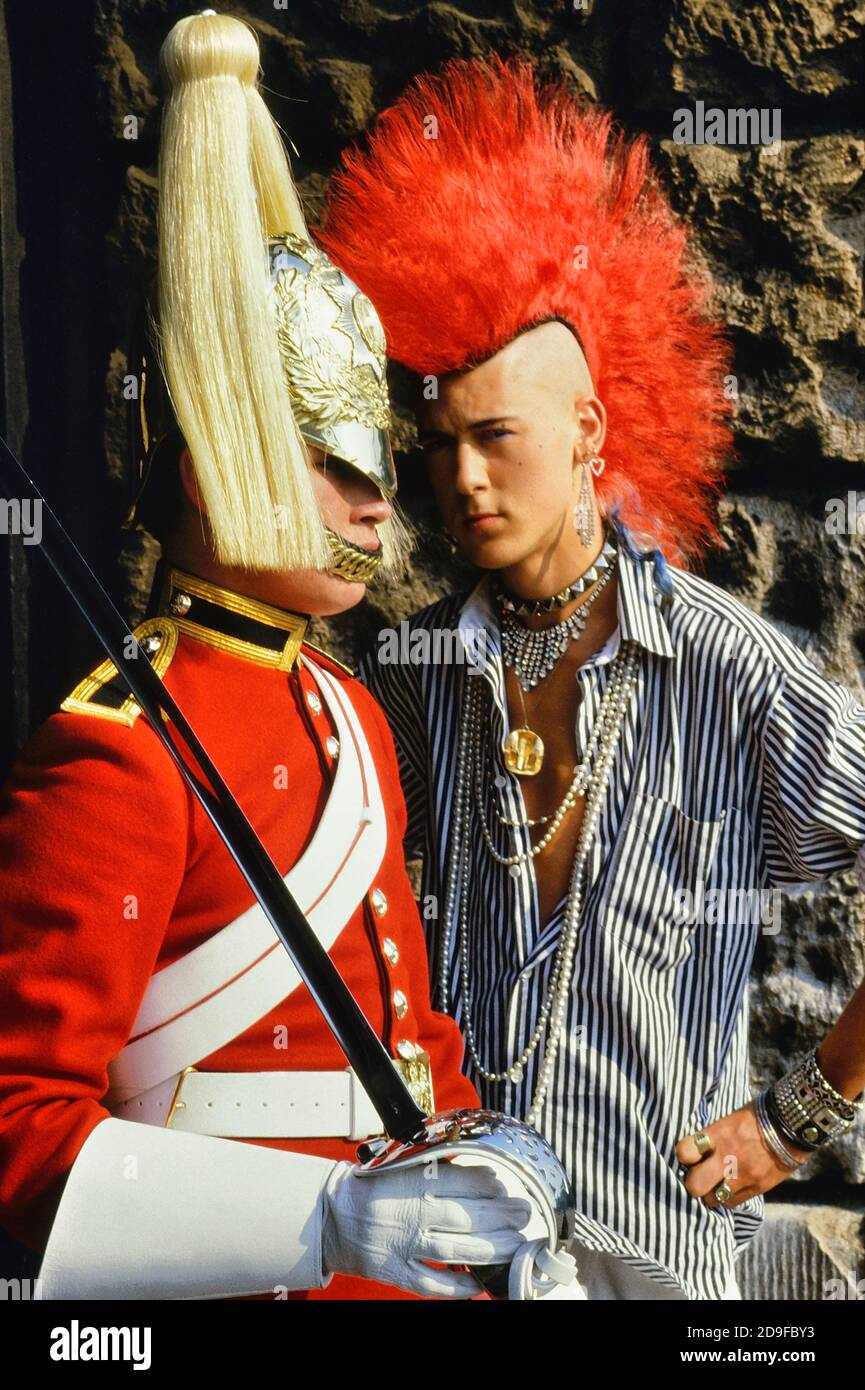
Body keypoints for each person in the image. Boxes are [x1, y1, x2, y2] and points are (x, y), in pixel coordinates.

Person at [0, 14, 535, 1303]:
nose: (378, 507)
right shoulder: (120, 746)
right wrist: (320, 1218)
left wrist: (483, 1169)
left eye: (379, 470)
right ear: (210, 463)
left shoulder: (346, 710)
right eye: (339, 465)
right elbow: (20, 1126)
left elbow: (406, 1042)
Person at [318, 56, 865, 1300]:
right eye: (440, 441)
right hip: (456, 1263)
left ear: (589, 434)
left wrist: (796, 1116)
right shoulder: (413, 675)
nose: (461, 480)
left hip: (658, 1262)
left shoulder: (724, 665)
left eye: (496, 437)